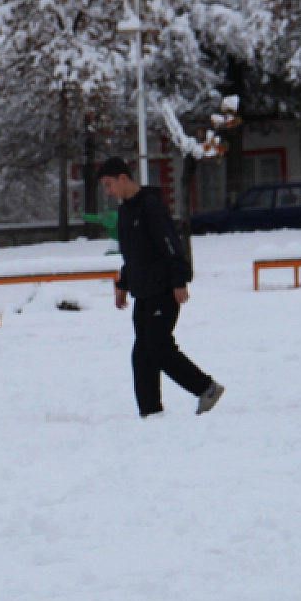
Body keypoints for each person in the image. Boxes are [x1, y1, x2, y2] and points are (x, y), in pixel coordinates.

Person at [101, 157, 224, 417]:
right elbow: (132, 253)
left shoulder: (151, 205)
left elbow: (170, 244)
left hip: (164, 289)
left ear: (123, 178)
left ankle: (206, 388)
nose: (108, 192)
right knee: (142, 354)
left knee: (158, 347)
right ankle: (150, 412)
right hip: (142, 292)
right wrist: (123, 284)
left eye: (109, 184)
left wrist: (179, 281)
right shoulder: (126, 212)